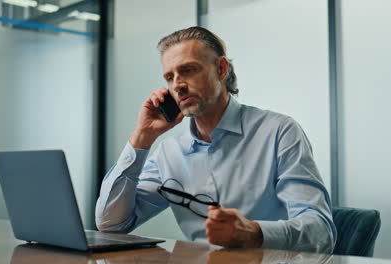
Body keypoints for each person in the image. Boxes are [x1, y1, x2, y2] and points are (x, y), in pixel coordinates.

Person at [95, 26, 336, 253]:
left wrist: (256, 233)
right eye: (169, 77)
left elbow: (321, 232)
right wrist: (141, 137)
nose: (177, 85)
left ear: (221, 69)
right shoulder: (169, 152)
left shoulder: (279, 132)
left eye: (188, 70)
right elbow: (111, 224)